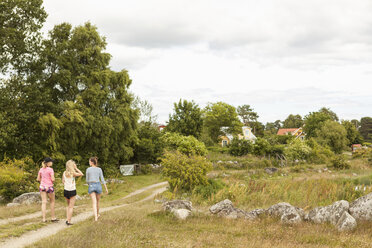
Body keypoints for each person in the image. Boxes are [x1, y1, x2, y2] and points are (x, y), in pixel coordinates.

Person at [86, 157, 108, 221]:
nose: (89, 162)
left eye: (89, 161)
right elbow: (102, 179)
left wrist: (89, 184)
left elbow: (87, 180)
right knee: (98, 202)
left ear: (92, 162)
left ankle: (96, 217)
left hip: (91, 185)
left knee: (94, 202)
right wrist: (106, 188)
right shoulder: (99, 169)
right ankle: (97, 214)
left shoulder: (88, 169)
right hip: (98, 185)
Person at [62, 160, 84, 225]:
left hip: (66, 190)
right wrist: (76, 168)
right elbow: (81, 174)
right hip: (72, 190)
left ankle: (67, 219)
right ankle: (69, 221)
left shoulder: (64, 173)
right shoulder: (73, 173)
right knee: (71, 207)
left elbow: (63, 181)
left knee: (68, 206)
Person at [37, 157, 58, 223]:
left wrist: (42, 182)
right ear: (48, 163)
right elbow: (53, 179)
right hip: (49, 186)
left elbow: (38, 179)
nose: (52, 163)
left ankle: (44, 219)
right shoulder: (51, 170)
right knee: (52, 201)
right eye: (51, 161)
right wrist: (53, 180)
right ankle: (53, 217)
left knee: (44, 202)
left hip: (42, 187)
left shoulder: (41, 169)